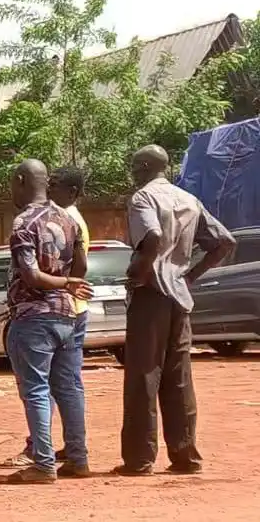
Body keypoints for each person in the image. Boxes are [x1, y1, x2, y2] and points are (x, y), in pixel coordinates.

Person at [114, 145, 234, 476]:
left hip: (150, 294)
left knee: (143, 377)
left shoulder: (143, 198)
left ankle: (139, 459)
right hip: (179, 297)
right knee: (178, 378)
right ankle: (185, 456)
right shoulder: (189, 200)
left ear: (143, 166)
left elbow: (152, 237)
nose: (133, 172)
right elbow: (225, 242)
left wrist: (137, 273)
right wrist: (188, 277)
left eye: (135, 166)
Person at [2, 160, 94, 483]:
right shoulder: (68, 219)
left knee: (37, 390)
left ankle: (43, 464)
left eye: (12, 184)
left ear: (21, 180)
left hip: (33, 317)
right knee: (69, 388)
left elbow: (30, 275)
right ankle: (78, 458)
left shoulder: (23, 223)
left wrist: (63, 282)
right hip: (68, 316)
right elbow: (81, 266)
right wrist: (68, 283)